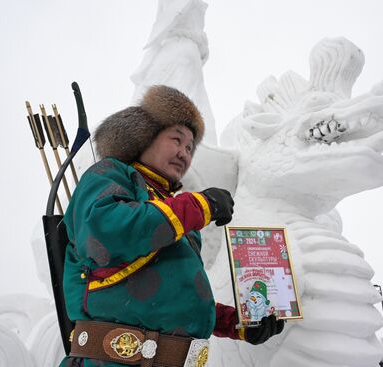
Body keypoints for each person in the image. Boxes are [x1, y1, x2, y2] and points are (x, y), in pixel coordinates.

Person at [58, 85, 284, 367]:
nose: (184, 153)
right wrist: (199, 206)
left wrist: (238, 324)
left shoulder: (180, 221)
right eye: (176, 140)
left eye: (190, 147)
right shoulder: (109, 174)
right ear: (143, 136)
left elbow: (180, 299)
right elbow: (106, 232)